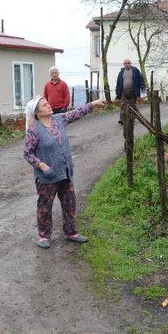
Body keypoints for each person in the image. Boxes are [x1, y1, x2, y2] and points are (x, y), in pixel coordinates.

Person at [23, 95, 107, 248]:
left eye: (47, 102)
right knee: (45, 207)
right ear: (37, 113)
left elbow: (77, 113)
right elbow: (27, 153)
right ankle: (44, 236)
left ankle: (71, 232)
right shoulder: (34, 130)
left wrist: (93, 104)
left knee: (69, 203)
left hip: (65, 172)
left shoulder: (59, 119)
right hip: (47, 177)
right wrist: (42, 165)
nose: (48, 105)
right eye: (44, 105)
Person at [115, 58, 146, 124]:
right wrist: (117, 92)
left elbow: (140, 79)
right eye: (125, 63)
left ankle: (132, 118)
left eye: (128, 63)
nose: (127, 64)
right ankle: (122, 119)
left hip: (133, 92)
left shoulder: (135, 70)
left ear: (131, 64)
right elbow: (118, 82)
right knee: (123, 105)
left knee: (132, 105)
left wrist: (143, 86)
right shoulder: (121, 72)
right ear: (123, 64)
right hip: (123, 92)